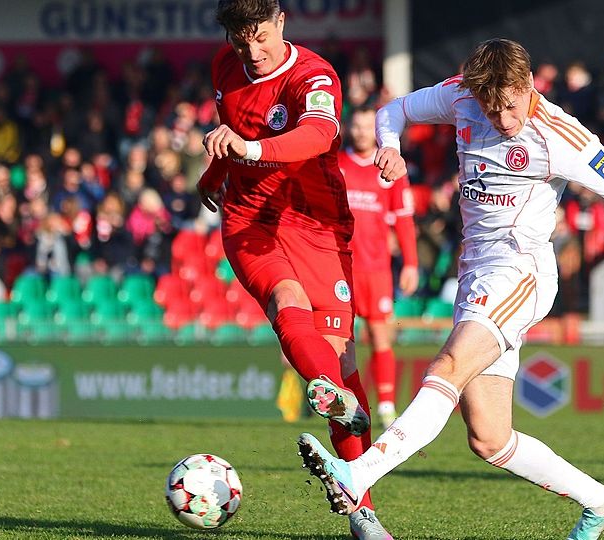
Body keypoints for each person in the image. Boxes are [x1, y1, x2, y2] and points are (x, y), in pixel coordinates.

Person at [296, 39, 604, 540]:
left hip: (521, 272)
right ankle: (602, 501)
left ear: (528, 86)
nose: (501, 119)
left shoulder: (559, 134)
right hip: (476, 273)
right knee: (488, 436)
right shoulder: (462, 95)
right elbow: (393, 111)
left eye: (509, 105)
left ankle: (358, 474)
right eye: (491, 108)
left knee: (447, 367)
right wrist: (390, 146)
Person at [196, 1, 391, 538]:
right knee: (286, 300)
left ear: (281, 21)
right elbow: (232, 128)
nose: (252, 52)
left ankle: (361, 503)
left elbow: (319, 135)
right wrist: (215, 172)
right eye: (241, 41)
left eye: (260, 37)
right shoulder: (225, 66)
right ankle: (336, 407)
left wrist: (249, 147)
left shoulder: (313, 75)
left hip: (315, 225)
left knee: (342, 362)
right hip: (248, 221)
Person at [341, 105, 419, 428]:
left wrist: (411, 263)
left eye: (366, 126)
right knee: (343, 339)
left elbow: (403, 220)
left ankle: (386, 406)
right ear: (349, 128)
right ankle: (347, 404)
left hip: (376, 269)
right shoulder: (337, 164)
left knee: (380, 335)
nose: (361, 132)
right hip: (340, 266)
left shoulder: (390, 167)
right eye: (356, 126)